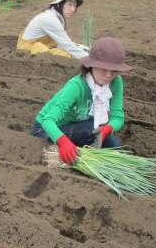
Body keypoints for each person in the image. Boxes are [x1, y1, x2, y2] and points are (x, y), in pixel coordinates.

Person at [31, 37, 132, 165]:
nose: (109, 75)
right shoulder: (77, 85)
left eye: (114, 71)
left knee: (113, 143)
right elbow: (48, 120)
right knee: (93, 128)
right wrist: (63, 142)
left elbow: (118, 116)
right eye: (104, 69)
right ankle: (74, 151)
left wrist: (108, 129)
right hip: (46, 129)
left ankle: (83, 153)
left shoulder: (116, 83)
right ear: (92, 65)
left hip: (82, 127)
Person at [17, 0, 89, 59]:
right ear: (58, 5)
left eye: (75, 5)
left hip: (41, 45)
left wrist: (77, 47)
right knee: (68, 57)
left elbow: (62, 41)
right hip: (28, 49)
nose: (73, 9)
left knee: (72, 53)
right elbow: (66, 45)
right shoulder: (50, 19)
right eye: (69, 5)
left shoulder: (58, 17)